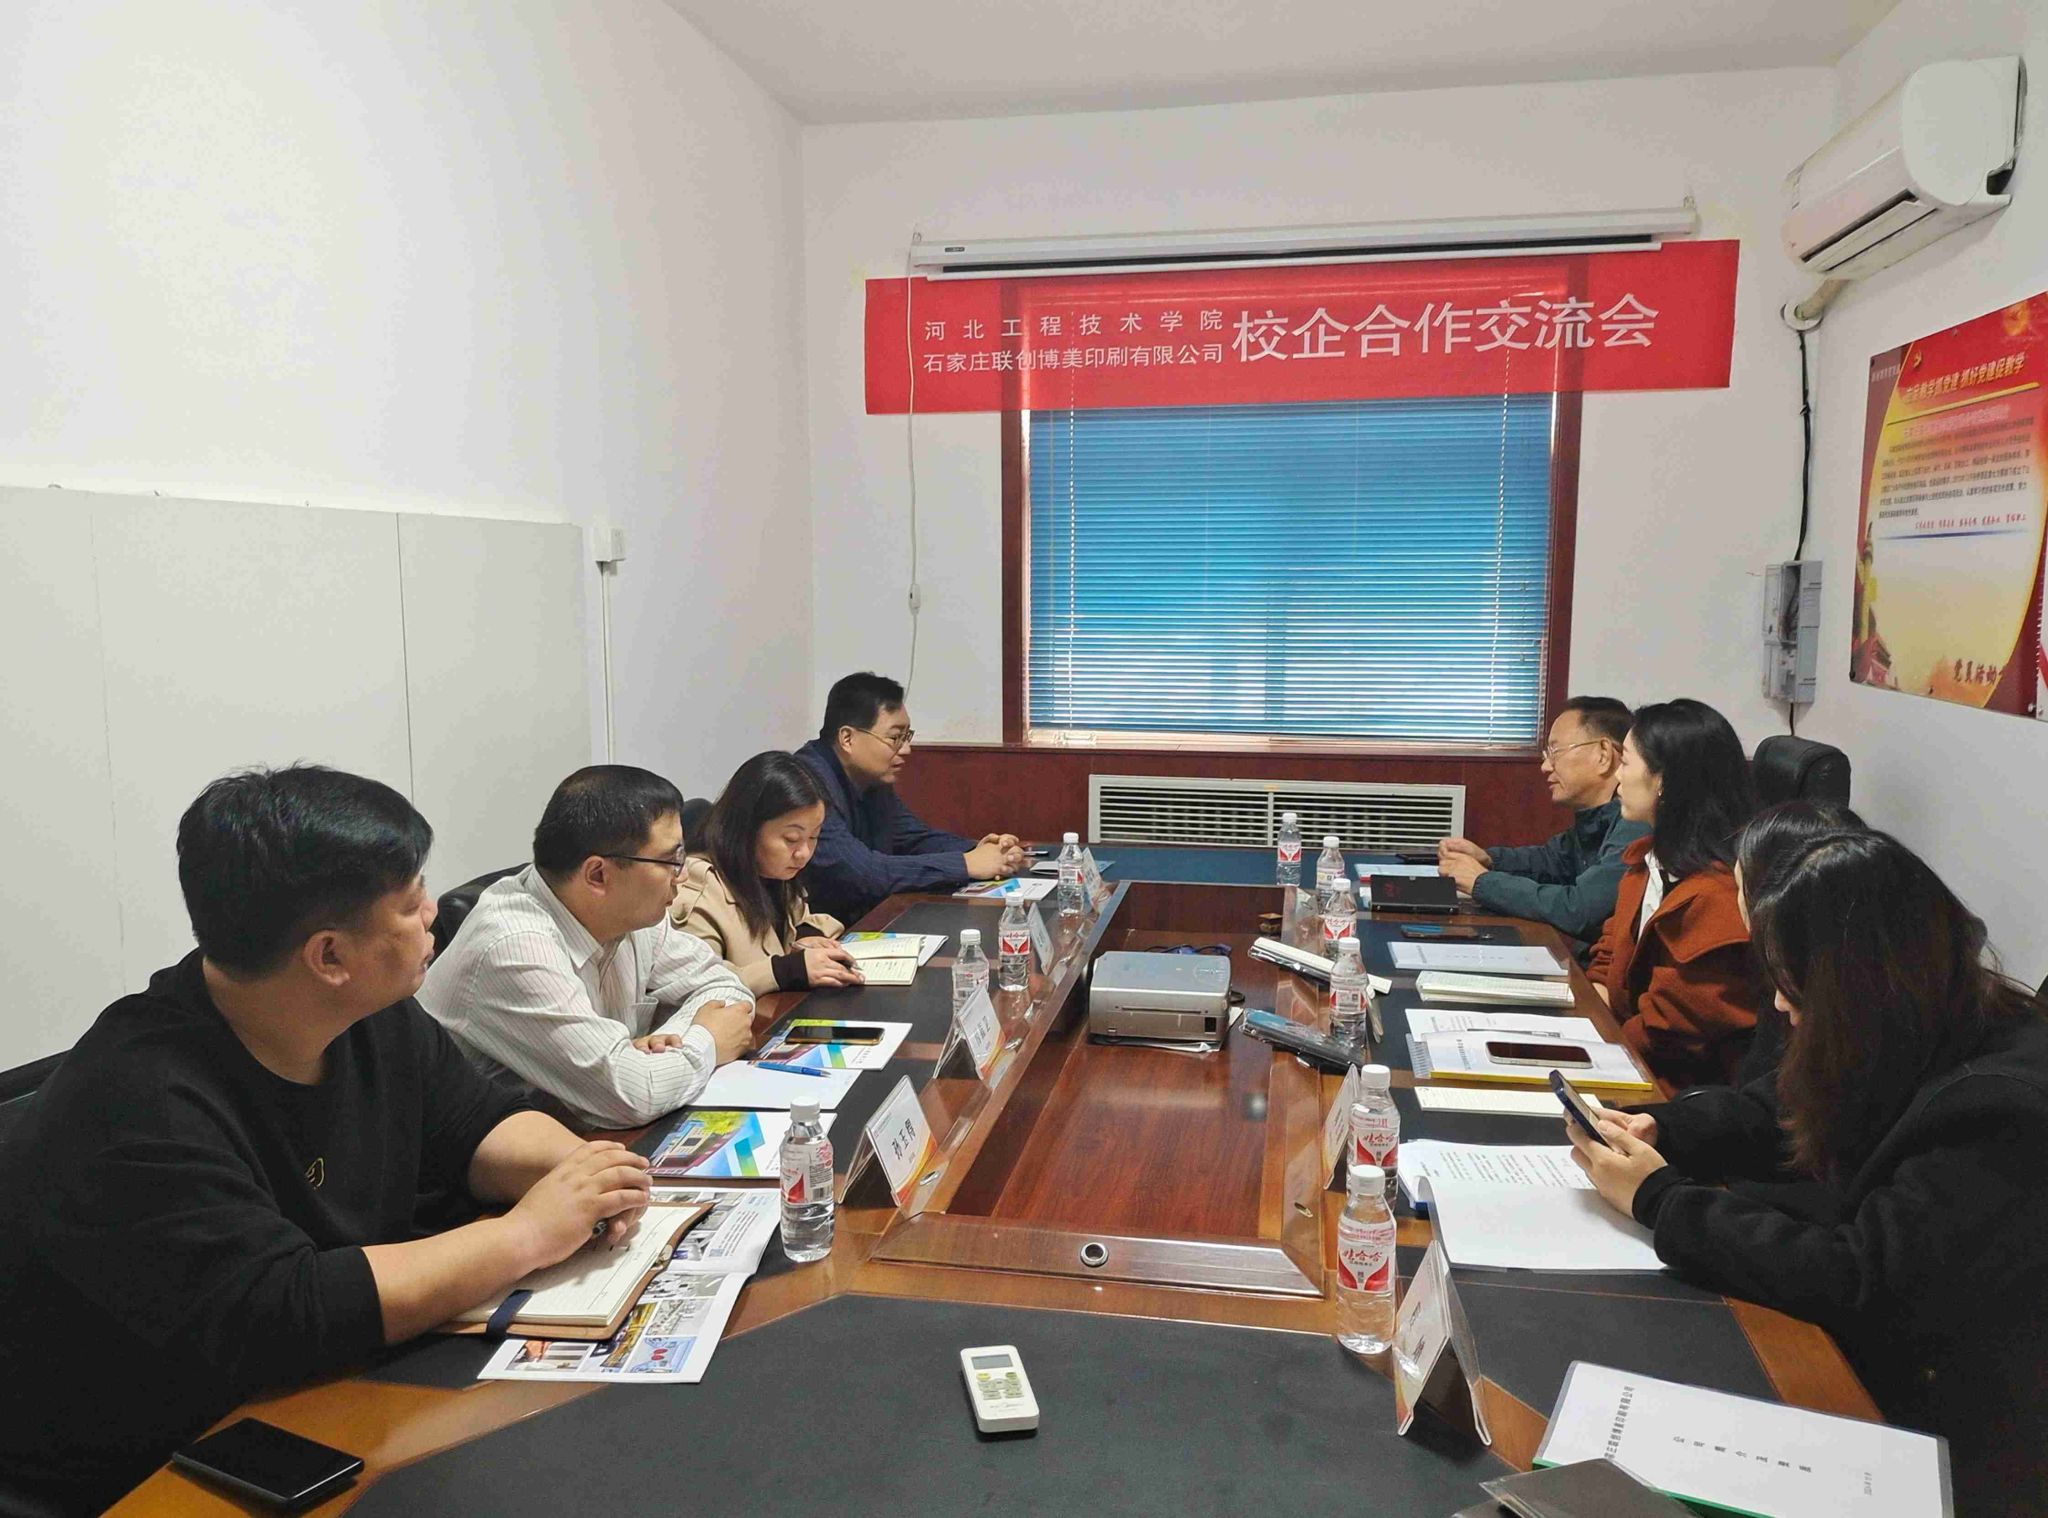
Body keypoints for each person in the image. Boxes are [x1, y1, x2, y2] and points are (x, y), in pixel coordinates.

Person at [0, 767, 654, 1516]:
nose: (434, 912)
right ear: (330, 957)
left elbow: (475, 1122)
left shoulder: (368, 1009)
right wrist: (529, 1233)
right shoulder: (139, 1101)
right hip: (142, 1468)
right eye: (411, 902)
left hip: (310, 1396)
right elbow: (296, 1308)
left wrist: (584, 1171)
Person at [1567, 815, 2048, 1514]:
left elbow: (1858, 1280)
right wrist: (1663, 1128)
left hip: (1945, 1437)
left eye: (1792, 986)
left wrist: (1661, 1201)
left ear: (1858, 984)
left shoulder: (1999, 1110)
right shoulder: (1918, 1018)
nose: (1779, 1005)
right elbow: (1782, 1107)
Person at [419, 765, 755, 1130]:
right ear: (598, 875)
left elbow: (726, 988)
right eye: (670, 860)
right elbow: (631, 1097)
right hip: (475, 1156)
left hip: (572, 1135)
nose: (683, 874)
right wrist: (706, 1041)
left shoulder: (632, 913)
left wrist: (669, 1046)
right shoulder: (513, 946)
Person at [1587, 698, 1764, 1088]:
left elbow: (1671, 1030)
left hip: (1674, 1092)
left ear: (1664, 781)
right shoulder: (1648, 861)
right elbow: (1610, 951)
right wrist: (1586, 1011)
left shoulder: (1719, 897)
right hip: (1626, 1057)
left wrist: (1593, 1049)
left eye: (1625, 762)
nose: (1616, 776)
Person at [795, 671, 1024, 924]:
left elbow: (913, 838)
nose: (906, 749)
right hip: (819, 934)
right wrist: (966, 864)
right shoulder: (806, 784)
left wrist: (982, 850)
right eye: (895, 738)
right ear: (847, 738)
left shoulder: (870, 777)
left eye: (906, 737)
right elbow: (862, 873)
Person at [1437, 695, 1647, 944]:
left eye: (1555, 751)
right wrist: (1489, 859)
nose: (1545, 766)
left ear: (1603, 755)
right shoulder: (1596, 819)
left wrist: (1482, 882)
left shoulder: (1638, 822)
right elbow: (1549, 861)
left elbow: (1580, 910)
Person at [671, 751, 865, 995]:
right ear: (747, 828)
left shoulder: (771, 870)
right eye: (791, 838)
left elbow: (801, 919)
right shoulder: (698, 889)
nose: (804, 853)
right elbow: (697, 984)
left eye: (814, 836)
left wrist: (805, 937)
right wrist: (787, 970)